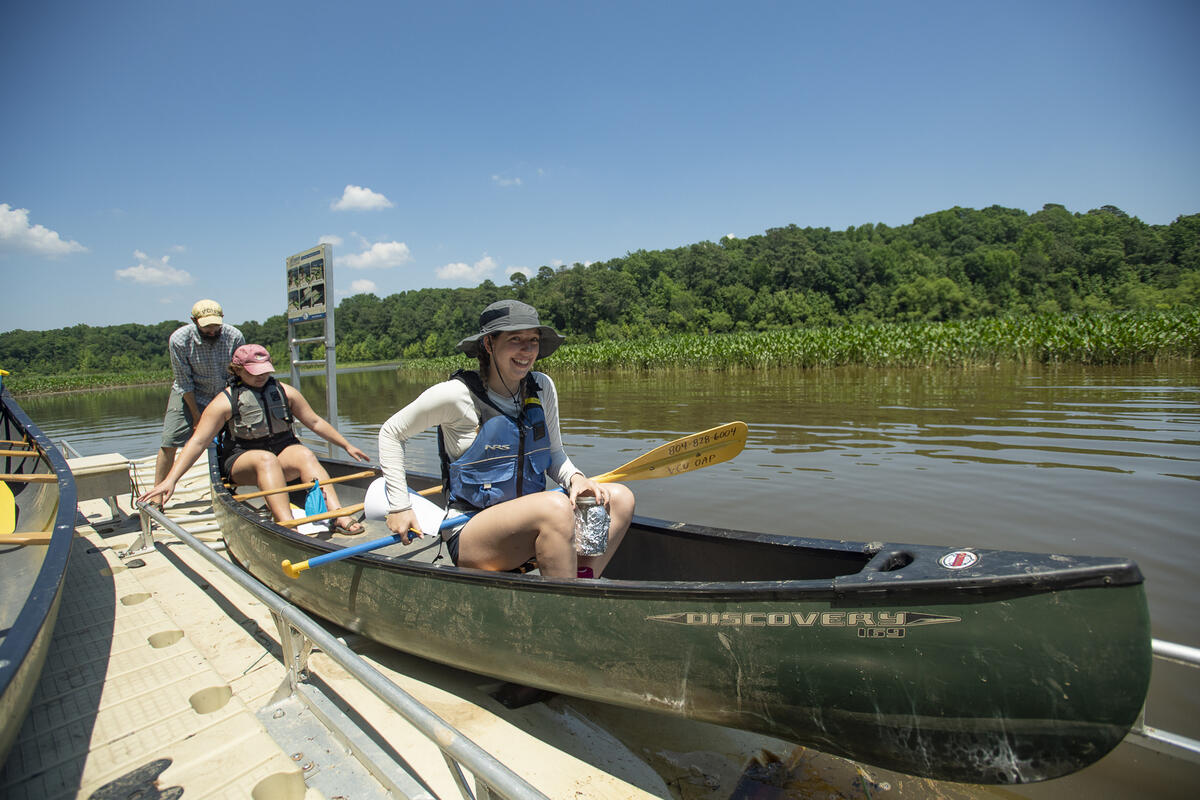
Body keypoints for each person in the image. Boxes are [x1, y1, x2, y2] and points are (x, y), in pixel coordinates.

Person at [378, 300, 635, 579]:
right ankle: (568, 607)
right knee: (555, 508)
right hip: (472, 531)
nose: (526, 350)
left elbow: (554, 454)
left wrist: (576, 479)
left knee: (619, 498)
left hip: (535, 522)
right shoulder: (455, 395)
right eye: (515, 340)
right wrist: (400, 507)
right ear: (489, 345)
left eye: (533, 341)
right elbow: (391, 433)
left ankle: (580, 582)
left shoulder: (542, 388)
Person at [138, 344, 370, 533]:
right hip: (244, 461)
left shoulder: (284, 391)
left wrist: (346, 445)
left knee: (304, 453)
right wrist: (170, 480)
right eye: (253, 372)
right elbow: (198, 441)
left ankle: (337, 514)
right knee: (265, 459)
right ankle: (289, 525)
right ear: (237, 370)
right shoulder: (224, 401)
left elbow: (315, 422)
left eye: (265, 370)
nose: (261, 377)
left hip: (281, 453)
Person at [153, 299, 246, 488]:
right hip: (189, 393)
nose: (212, 331)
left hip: (224, 391)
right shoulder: (179, 339)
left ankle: (232, 484)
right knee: (170, 441)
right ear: (194, 321)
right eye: (206, 327)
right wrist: (197, 416)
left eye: (215, 326)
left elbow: (239, 372)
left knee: (239, 437)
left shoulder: (234, 336)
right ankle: (158, 494)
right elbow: (184, 381)